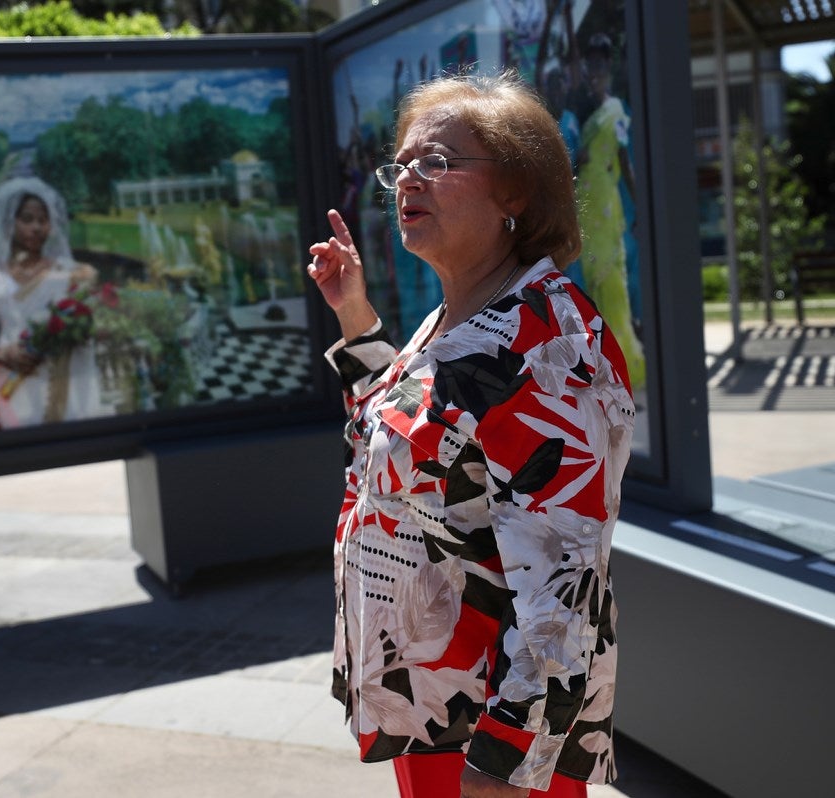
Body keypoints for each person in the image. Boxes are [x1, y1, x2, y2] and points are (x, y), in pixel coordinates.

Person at [307, 71, 635, 798]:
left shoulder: (548, 345)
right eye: (402, 166)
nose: (406, 182)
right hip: (429, 700)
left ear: (516, 190)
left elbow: (564, 587)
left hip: (487, 730)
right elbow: (404, 446)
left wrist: (505, 764)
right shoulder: (462, 315)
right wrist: (358, 322)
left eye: (438, 162)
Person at [0, 176, 104, 431]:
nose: (36, 227)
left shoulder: (68, 272)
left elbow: (91, 319)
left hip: (66, 380)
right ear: (10, 224)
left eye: (43, 220)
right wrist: (0, 353)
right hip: (18, 381)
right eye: (28, 219)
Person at [575, 34, 645, 390]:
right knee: (595, 287)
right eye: (591, 64)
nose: (594, 70)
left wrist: (641, 205)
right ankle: (606, 369)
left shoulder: (616, 111)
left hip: (604, 205)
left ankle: (625, 368)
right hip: (586, 207)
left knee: (612, 285)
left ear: (609, 67)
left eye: (600, 63)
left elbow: (625, 162)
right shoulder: (589, 111)